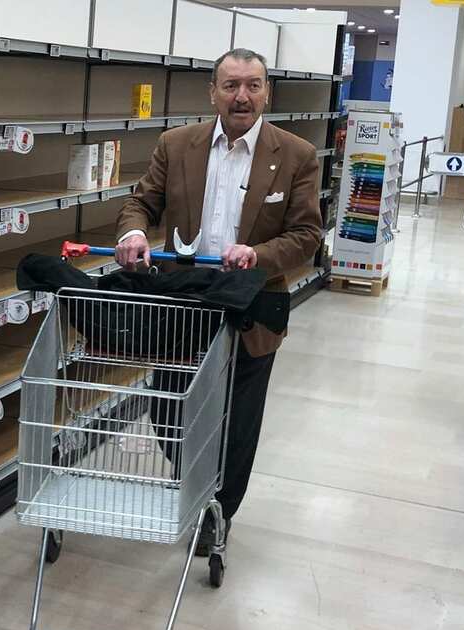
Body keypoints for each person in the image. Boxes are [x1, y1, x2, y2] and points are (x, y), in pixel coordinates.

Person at [114, 48, 322, 553]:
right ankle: (195, 480)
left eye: (253, 85)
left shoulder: (296, 154)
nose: (242, 96)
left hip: (251, 303)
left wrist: (257, 253)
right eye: (230, 86)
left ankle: (218, 513)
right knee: (168, 410)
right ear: (213, 93)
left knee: (239, 419)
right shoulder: (175, 144)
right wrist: (136, 231)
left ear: (267, 91)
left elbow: (307, 234)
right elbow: (141, 201)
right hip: (183, 299)